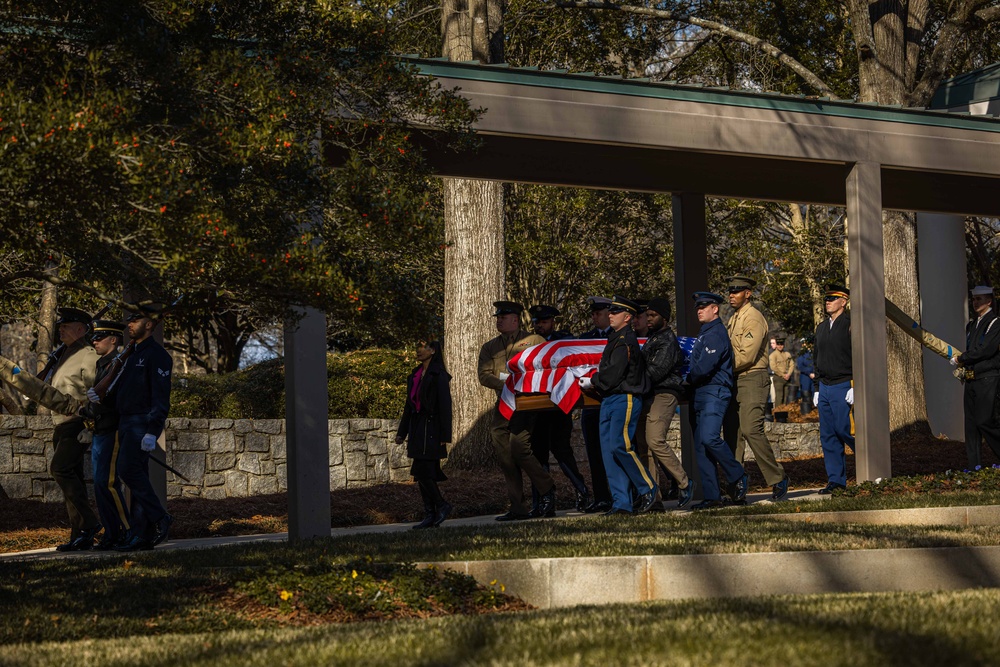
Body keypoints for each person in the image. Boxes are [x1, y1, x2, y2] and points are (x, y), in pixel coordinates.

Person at [102, 309, 175, 551]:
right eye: (129, 321)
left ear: (150, 324)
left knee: (128, 470)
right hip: (125, 422)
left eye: (135, 320)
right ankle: (141, 534)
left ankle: (160, 517)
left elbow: (160, 397)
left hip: (142, 422)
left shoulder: (157, 355)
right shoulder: (131, 354)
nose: (130, 325)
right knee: (137, 475)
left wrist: (153, 430)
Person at [478, 300, 556, 521]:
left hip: (528, 403)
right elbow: (484, 376)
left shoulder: (533, 341)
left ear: (515, 319)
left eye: (503, 317)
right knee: (505, 455)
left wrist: (521, 386)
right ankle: (518, 507)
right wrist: (508, 385)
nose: (499, 321)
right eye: (498, 318)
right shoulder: (490, 347)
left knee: (519, 447)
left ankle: (547, 487)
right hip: (504, 402)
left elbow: (547, 367)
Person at [579, 296, 656, 515]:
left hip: (625, 397)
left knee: (620, 447)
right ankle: (621, 502)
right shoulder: (615, 339)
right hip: (609, 399)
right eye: (610, 312)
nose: (610, 315)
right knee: (609, 453)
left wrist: (593, 379)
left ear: (628, 317)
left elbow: (613, 374)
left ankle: (647, 487)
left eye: (615, 312)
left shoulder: (625, 340)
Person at [722, 276, 789, 501]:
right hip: (734, 379)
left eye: (737, 290)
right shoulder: (734, 318)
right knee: (733, 434)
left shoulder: (753, 318)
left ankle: (778, 477)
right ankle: (737, 485)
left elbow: (747, 356)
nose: (731, 294)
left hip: (752, 377)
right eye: (730, 290)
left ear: (748, 293)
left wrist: (720, 366)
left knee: (751, 430)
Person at [686, 292, 748, 510]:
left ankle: (738, 474)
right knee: (702, 446)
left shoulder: (716, 333)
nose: (699, 310)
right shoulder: (705, 333)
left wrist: (686, 377)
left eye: (704, 307)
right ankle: (713, 496)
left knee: (710, 437)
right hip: (701, 392)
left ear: (715, 309)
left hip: (714, 391)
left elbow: (705, 367)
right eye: (697, 308)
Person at [47, 307, 101, 552]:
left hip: (77, 423)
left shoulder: (88, 355)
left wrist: (91, 422)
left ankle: (89, 524)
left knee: (60, 469)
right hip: (61, 423)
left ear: (81, 329)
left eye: (66, 326)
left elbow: (97, 391)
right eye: (61, 325)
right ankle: (79, 535)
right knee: (73, 476)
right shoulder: (64, 355)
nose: (61, 329)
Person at [527, 304, 590, 513]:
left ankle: (582, 491)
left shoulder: (564, 340)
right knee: (538, 457)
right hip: (537, 408)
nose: (539, 326)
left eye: (543, 322)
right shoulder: (529, 344)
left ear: (553, 322)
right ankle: (542, 503)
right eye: (536, 322)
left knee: (562, 453)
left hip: (558, 408)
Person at [637, 297, 693, 508]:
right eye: (647, 315)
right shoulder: (653, 339)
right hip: (648, 395)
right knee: (645, 448)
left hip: (664, 394)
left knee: (655, 440)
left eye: (653, 316)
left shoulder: (667, 341)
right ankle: (654, 496)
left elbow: (655, 372)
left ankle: (684, 482)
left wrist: (631, 380)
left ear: (665, 318)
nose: (648, 319)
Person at [81, 320, 132, 550]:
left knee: (108, 483)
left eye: (99, 338)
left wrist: (91, 408)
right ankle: (112, 533)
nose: (94, 341)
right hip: (100, 429)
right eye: (94, 338)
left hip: (112, 428)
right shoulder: (102, 364)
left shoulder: (117, 365)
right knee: (100, 486)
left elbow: (113, 399)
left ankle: (127, 531)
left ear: (113, 339)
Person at [395, 341, 453, 529]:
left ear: (433, 350)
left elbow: (445, 406)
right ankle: (431, 514)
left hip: (433, 429)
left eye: (424, 347)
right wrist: (402, 433)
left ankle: (441, 505)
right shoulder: (415, 375)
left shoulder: (439, 375)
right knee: (423, 473)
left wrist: (445, 434)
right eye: (417, 347)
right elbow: (408, 406)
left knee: (422, 470)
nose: (419, 351)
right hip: (418, 428)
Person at [812, 285, 855, 494]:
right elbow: (816, 359)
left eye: (832, 298)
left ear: (843, 301)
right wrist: (816, 388)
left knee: (844, 430)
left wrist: (856, 384)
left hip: (843, 385)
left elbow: (858, 355)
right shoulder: (821, 328)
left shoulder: (850, 325)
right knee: (828, 435)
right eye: (826, 298)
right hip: (825, 387)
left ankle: (869, 466)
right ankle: (836, 480)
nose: (827, 301)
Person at [952, 285, 1000, 469]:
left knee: (985, 421)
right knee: (971, 426)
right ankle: (974, 467)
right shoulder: (972, 325)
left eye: (979, 299)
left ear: (989, 301)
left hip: (988, 377)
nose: (975, 303)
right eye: (973, 299)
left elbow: (986, 350)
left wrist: (961, 358)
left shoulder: (995, 322)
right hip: (972, 378)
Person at [577, 296, 614, 513]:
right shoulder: (585, 338)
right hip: (590, 405)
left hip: (609, 401)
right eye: (593, 313)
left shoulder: (618, 337)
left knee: (616, 451)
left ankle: (624, 495)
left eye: (598, 313)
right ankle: (601, 496)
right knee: (594, 454)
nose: (594, 317)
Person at [769, 337, 795, 405]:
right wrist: (783, 375)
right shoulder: (773, 355)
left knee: (786, 397)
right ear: (776, 345)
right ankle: (778, 412)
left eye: (782, 344)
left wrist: (788, 374)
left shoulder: (787, 354)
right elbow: (773, 367)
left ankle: (785, 412)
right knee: (779, 397)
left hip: (787, 377)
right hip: (778, 377)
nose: (780, 346)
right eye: (778, 344)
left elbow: (792, 364)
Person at [797, 338, 815, 414]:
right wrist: (809, 373)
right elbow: (800, 366)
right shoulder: (801, 354)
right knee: (806, 393)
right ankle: (806, 411)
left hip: (814, 376)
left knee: (814, 392)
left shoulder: (814, 353)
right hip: (805, 377)